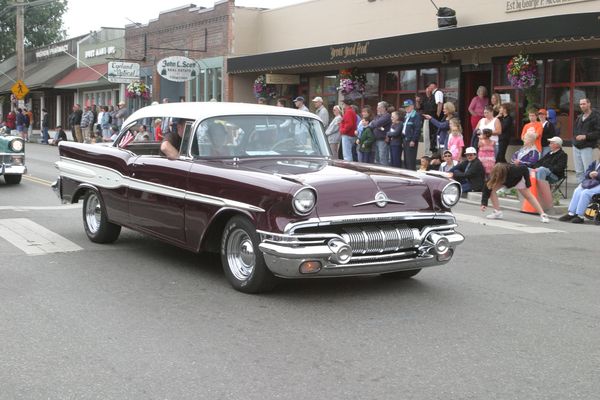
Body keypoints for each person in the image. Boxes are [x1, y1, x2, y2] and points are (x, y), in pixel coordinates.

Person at [481, 163, 550, 223]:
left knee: (528, 196)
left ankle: (543, 214)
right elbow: (486, 188)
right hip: (505, 182)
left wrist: (527, 183)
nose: (496, 177)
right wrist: (484, 204)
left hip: (518, 180)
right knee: (491, 190)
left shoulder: (514, 170)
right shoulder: (494, 176)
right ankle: (497, 212)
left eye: (498, 176)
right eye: (496, 176)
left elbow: (524, 168)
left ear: (504, 173)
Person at [559, 156, 600, 224]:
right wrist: (590, 174)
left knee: (586, 193)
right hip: (593, 182)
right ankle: (571, 213)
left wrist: (597, 174)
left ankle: (580, 216)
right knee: (578, 190)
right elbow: (587, 172)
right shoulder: (596, 162)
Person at [531, 136, 568, 209]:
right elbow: (538, 162)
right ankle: (531, 191)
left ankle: (540, 194)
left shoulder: (562, 155)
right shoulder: (549, 153)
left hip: (554, 176)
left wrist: (545, 168)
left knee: (542, 169)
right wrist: (536, 168)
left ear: (557, 145)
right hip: (543, 173)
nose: (549, 145)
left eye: (551, 143)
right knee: (529, 169)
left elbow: (558, 168)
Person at [572, 98, 600, 183]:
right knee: (578, 171)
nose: (582, 106)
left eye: (584, 104)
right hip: (576, 146)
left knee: (587, 170)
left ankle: (588, 188)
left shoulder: (596, 116)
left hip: (587, 147)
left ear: (589, 104)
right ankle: (581, 188)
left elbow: (598, 132)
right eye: (580, 104)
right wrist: (574, 140)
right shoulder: (580, 117)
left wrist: (585, 136)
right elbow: (575, 130)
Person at [422, 82, 444, 154]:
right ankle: (432, 150)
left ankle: (435, 151)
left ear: (433, 86)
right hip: (432, 118)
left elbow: (439, 104)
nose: (429, 88)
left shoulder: (438, 92)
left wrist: (437, 116)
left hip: (435, 118)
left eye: (430, 86)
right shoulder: (432, 95)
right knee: (432, 135)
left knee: (435, 134)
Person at [368, 101, 391, 166]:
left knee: (383, 158)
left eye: (379, 107)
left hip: (382, 140)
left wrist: (376, 124)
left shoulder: (387, 116)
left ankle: (385, 173)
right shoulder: (378, 116)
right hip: (376, 139)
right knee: (377, 159)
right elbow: (371, 125)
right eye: (378, 107)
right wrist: (376, 124)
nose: (377, 108)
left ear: (384, 108)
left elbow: (376, 123)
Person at [401, 99, 421, 170]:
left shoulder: (416, 115)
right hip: (405, 140)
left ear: (412, 106)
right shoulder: (406, 115)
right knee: (406, 160)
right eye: (405, 107)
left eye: (408, 106)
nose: (406, 108)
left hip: (411, 141)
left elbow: (417, 129)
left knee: (410, 161)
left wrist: (413, 140)